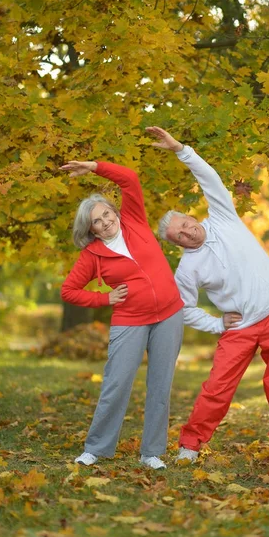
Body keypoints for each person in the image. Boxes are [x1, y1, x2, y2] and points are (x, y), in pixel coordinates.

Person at [147, 126, 269, 467]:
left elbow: (209, 177)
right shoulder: (186, 270)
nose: (187, 232)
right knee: (217, 387)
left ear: (190, 216)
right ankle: (190, 445)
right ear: (177, 245)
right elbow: (184, 308)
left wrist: (179, 149)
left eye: (185, 224)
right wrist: (216, 323)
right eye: (179, 237)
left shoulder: (222, 218)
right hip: (240, 326)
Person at [60, 156, 184, 470]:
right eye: (96, 222)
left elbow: (128, 178)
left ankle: (151, 452)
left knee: (161, 384)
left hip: (169, 315)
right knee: (116, 384)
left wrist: (93, 167)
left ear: (114, 211)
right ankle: (96, 448)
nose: (105, 222)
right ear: (92, 230)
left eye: (105, 214)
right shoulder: (93, 255)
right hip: (130, 320)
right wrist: (106, 299)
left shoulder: (135, 220)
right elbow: (69, 290)